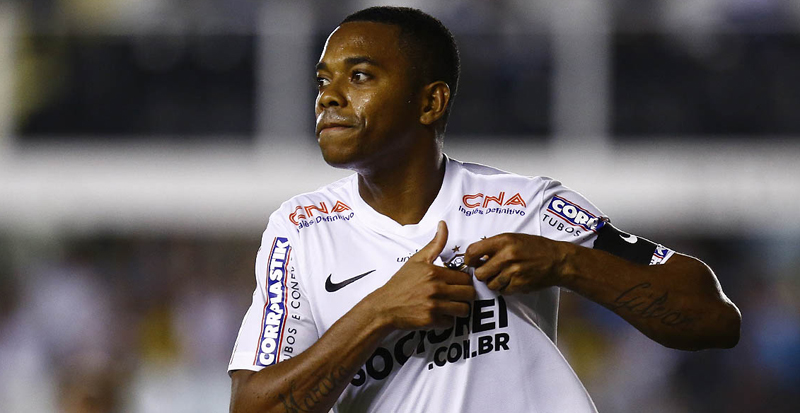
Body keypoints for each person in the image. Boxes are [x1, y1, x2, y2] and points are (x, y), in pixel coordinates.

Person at [228, 6, 741, 413]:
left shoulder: (526, 204)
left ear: (430, 103)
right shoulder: (301, 229)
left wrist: (565, 262)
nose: (328, 98)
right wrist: (380, 311)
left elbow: (714, 319)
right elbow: (252, 405)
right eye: (323, 81)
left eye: (359, 76)